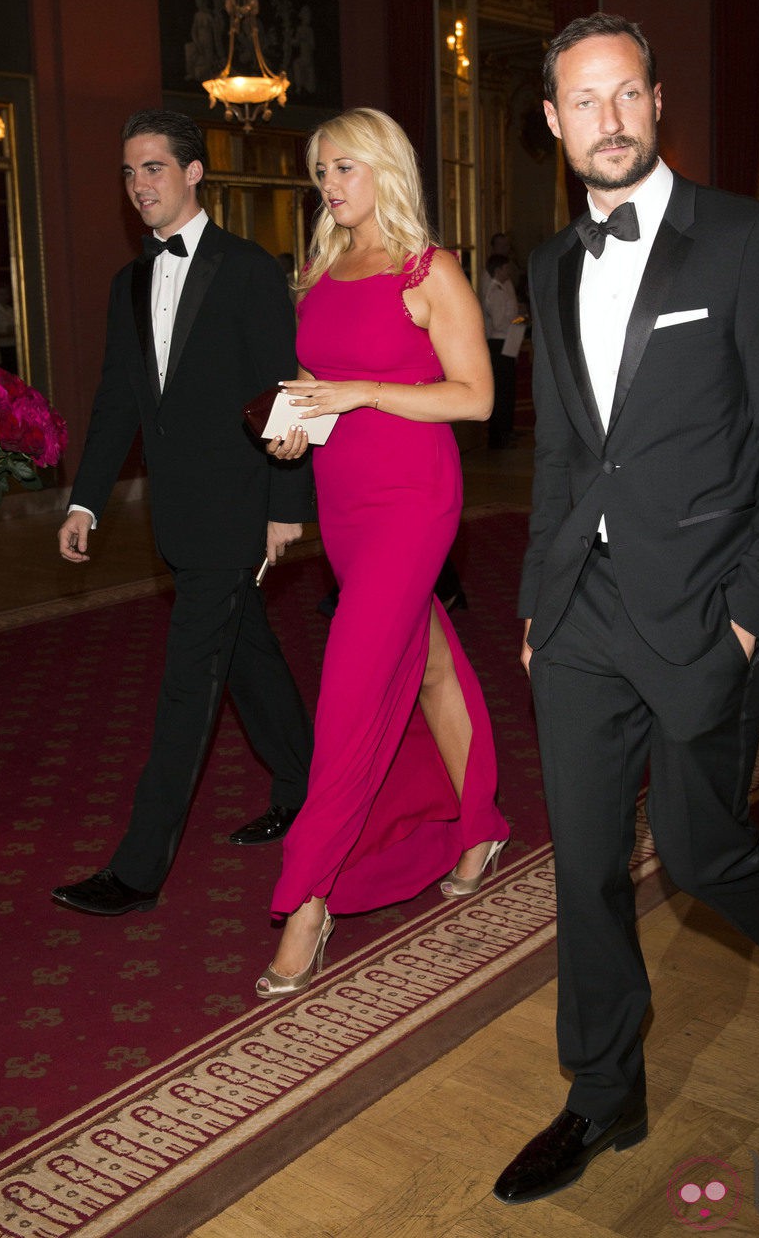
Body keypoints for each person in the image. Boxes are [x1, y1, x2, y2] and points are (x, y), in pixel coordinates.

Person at [494, 14, 759, 1206]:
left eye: (625, 94)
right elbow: (564, 457)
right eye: (581, 102)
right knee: (585, 865)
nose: (607, 119)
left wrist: (753, 615)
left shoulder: (746, 242)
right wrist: (541, 597)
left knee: (700, 853)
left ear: (655, 103)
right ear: (552, 124)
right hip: (584, 614)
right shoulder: (549, 266)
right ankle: (602, 1093)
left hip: (706, 607)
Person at [256, 107, 510, 997]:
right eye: (322, 170)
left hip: (413, 499)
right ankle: (478, 822)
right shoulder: (322, 269)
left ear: (387, 169)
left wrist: (361, 390)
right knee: (429, 664)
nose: (330, 185)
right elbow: (322, 391)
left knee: (351, 687)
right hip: (344, 500)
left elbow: (476, 399)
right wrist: (300, 430)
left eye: (346, 167)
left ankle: (308, 901)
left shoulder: (427, 270)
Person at [52, 109, 315, 917]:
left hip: (240, 507)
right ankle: (310, 785)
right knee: (248, 658)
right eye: (129, 174)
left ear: (194, 173)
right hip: (179, 514)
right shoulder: (127, 284)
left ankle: (136, 869)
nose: (140, 188)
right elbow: (117, 404)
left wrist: (284, 506)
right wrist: (87, 498)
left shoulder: (246, 269)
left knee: (186, 684)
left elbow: (286, 390)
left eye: (154, 170)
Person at [482, 253, 520, 448]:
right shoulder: (495, 290)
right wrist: (517, 321)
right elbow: (498, 322)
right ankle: (497, 436)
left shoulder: (504, 287)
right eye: (505, 268)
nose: (508, 271)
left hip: (507, 342)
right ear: (498, 270)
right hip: (499, 343)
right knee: (501, 391)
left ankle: (504, 431)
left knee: (508, 390)